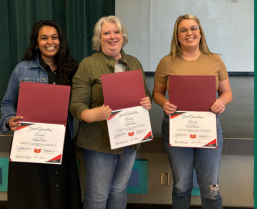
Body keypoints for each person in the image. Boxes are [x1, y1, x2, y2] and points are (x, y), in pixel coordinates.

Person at [0, 20, 83, 209]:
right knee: (32, 196)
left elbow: (81, 103)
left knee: (60, 194)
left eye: (54, 37)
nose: (50, 42)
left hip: (60, 142)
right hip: (28, 142)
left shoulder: (73, 69)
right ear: (36, 43)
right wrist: (9, 119)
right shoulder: (22, 69)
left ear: (61, 41)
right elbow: (8, 102)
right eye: (44, 38)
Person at [70, 15, 151, 209]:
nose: (112, 37)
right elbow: (77, 104)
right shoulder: (88, 65)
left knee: (119, 190)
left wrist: (146, 101)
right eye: (106, 33)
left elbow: (144, 95)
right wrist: (90, 114)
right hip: (99, 141)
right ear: (99, 39)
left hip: (129, 139)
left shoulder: (134, 63)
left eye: (117, 32)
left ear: (123, 36)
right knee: (98, 195)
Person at [152, 14, 233, 209]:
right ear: (177, 36)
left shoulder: (215, 60)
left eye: (194, 28)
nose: (190, 33)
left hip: (208, 127)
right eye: (183, 30)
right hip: (176, 127)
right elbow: (157, 93)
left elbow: (227, 92)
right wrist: (164, 103)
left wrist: (222, 101)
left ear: (200, 32)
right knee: (181, 184)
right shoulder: (166, 62)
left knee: (211, 186)